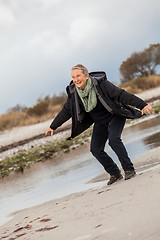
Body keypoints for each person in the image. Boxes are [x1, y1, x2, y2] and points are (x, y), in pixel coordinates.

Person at [45, 64, 152, 185]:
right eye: (73, 77)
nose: (76, 79)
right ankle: (115, 173)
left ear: (86, 76)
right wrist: (53, 126)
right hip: (100, 122)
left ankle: (129, 169)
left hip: (115, 116)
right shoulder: (74, 93)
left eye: (78, 76)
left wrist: (142, 105)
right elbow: (66, 111)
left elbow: (121, 95)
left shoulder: (101, 85)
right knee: (95, 149)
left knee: (114, 140)